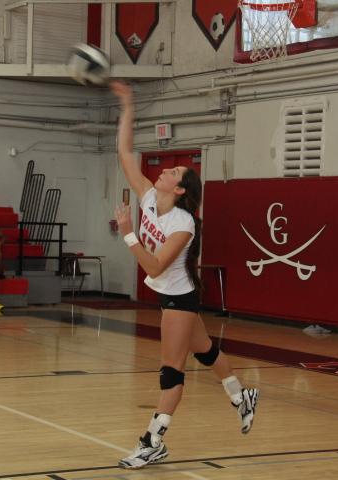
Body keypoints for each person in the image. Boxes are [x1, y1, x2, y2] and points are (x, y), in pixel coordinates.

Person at [110, 80, 260, 470]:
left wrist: (127, 232)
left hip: (179, 299)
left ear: (179, 189)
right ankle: (240, 396)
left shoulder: (184, 223)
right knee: (207, 352)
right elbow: (125, 151)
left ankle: (152, 441)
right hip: (170, 296)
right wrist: (128, 104)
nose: (163, 170)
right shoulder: (147, 197)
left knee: (171, 371)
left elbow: (156, 266)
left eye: (173, 170)